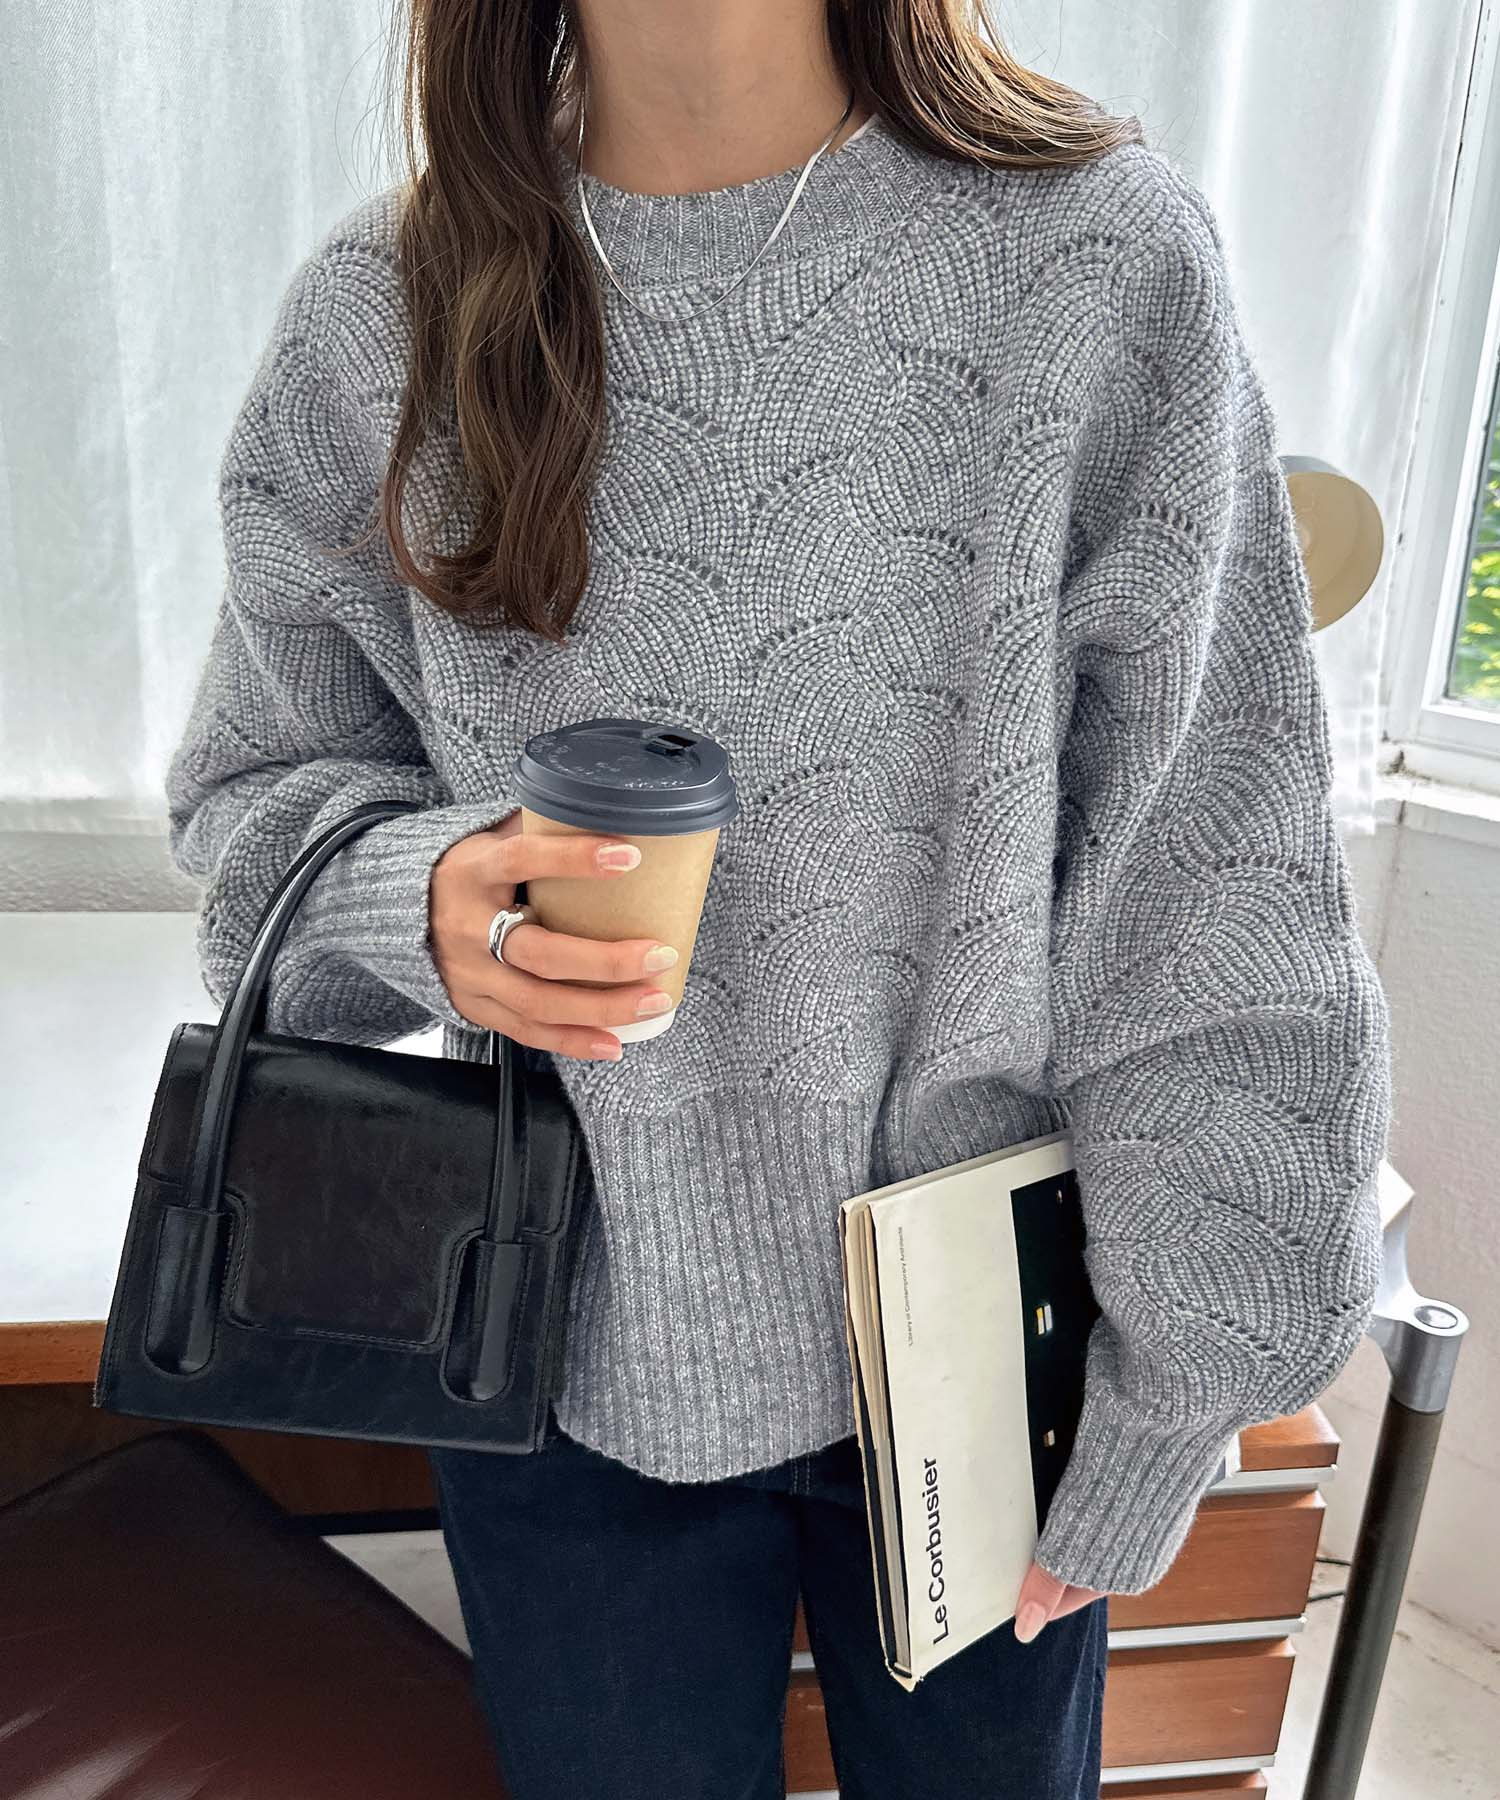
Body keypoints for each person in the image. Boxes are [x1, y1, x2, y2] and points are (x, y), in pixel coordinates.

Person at [163, 0, 1393, 1794]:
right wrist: (419, 903)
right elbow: (250, 818)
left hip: (999, 1353)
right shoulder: (386, 313)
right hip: (558, 1347)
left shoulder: (1095, 262)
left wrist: (1177, 1393)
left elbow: (1210, 894)